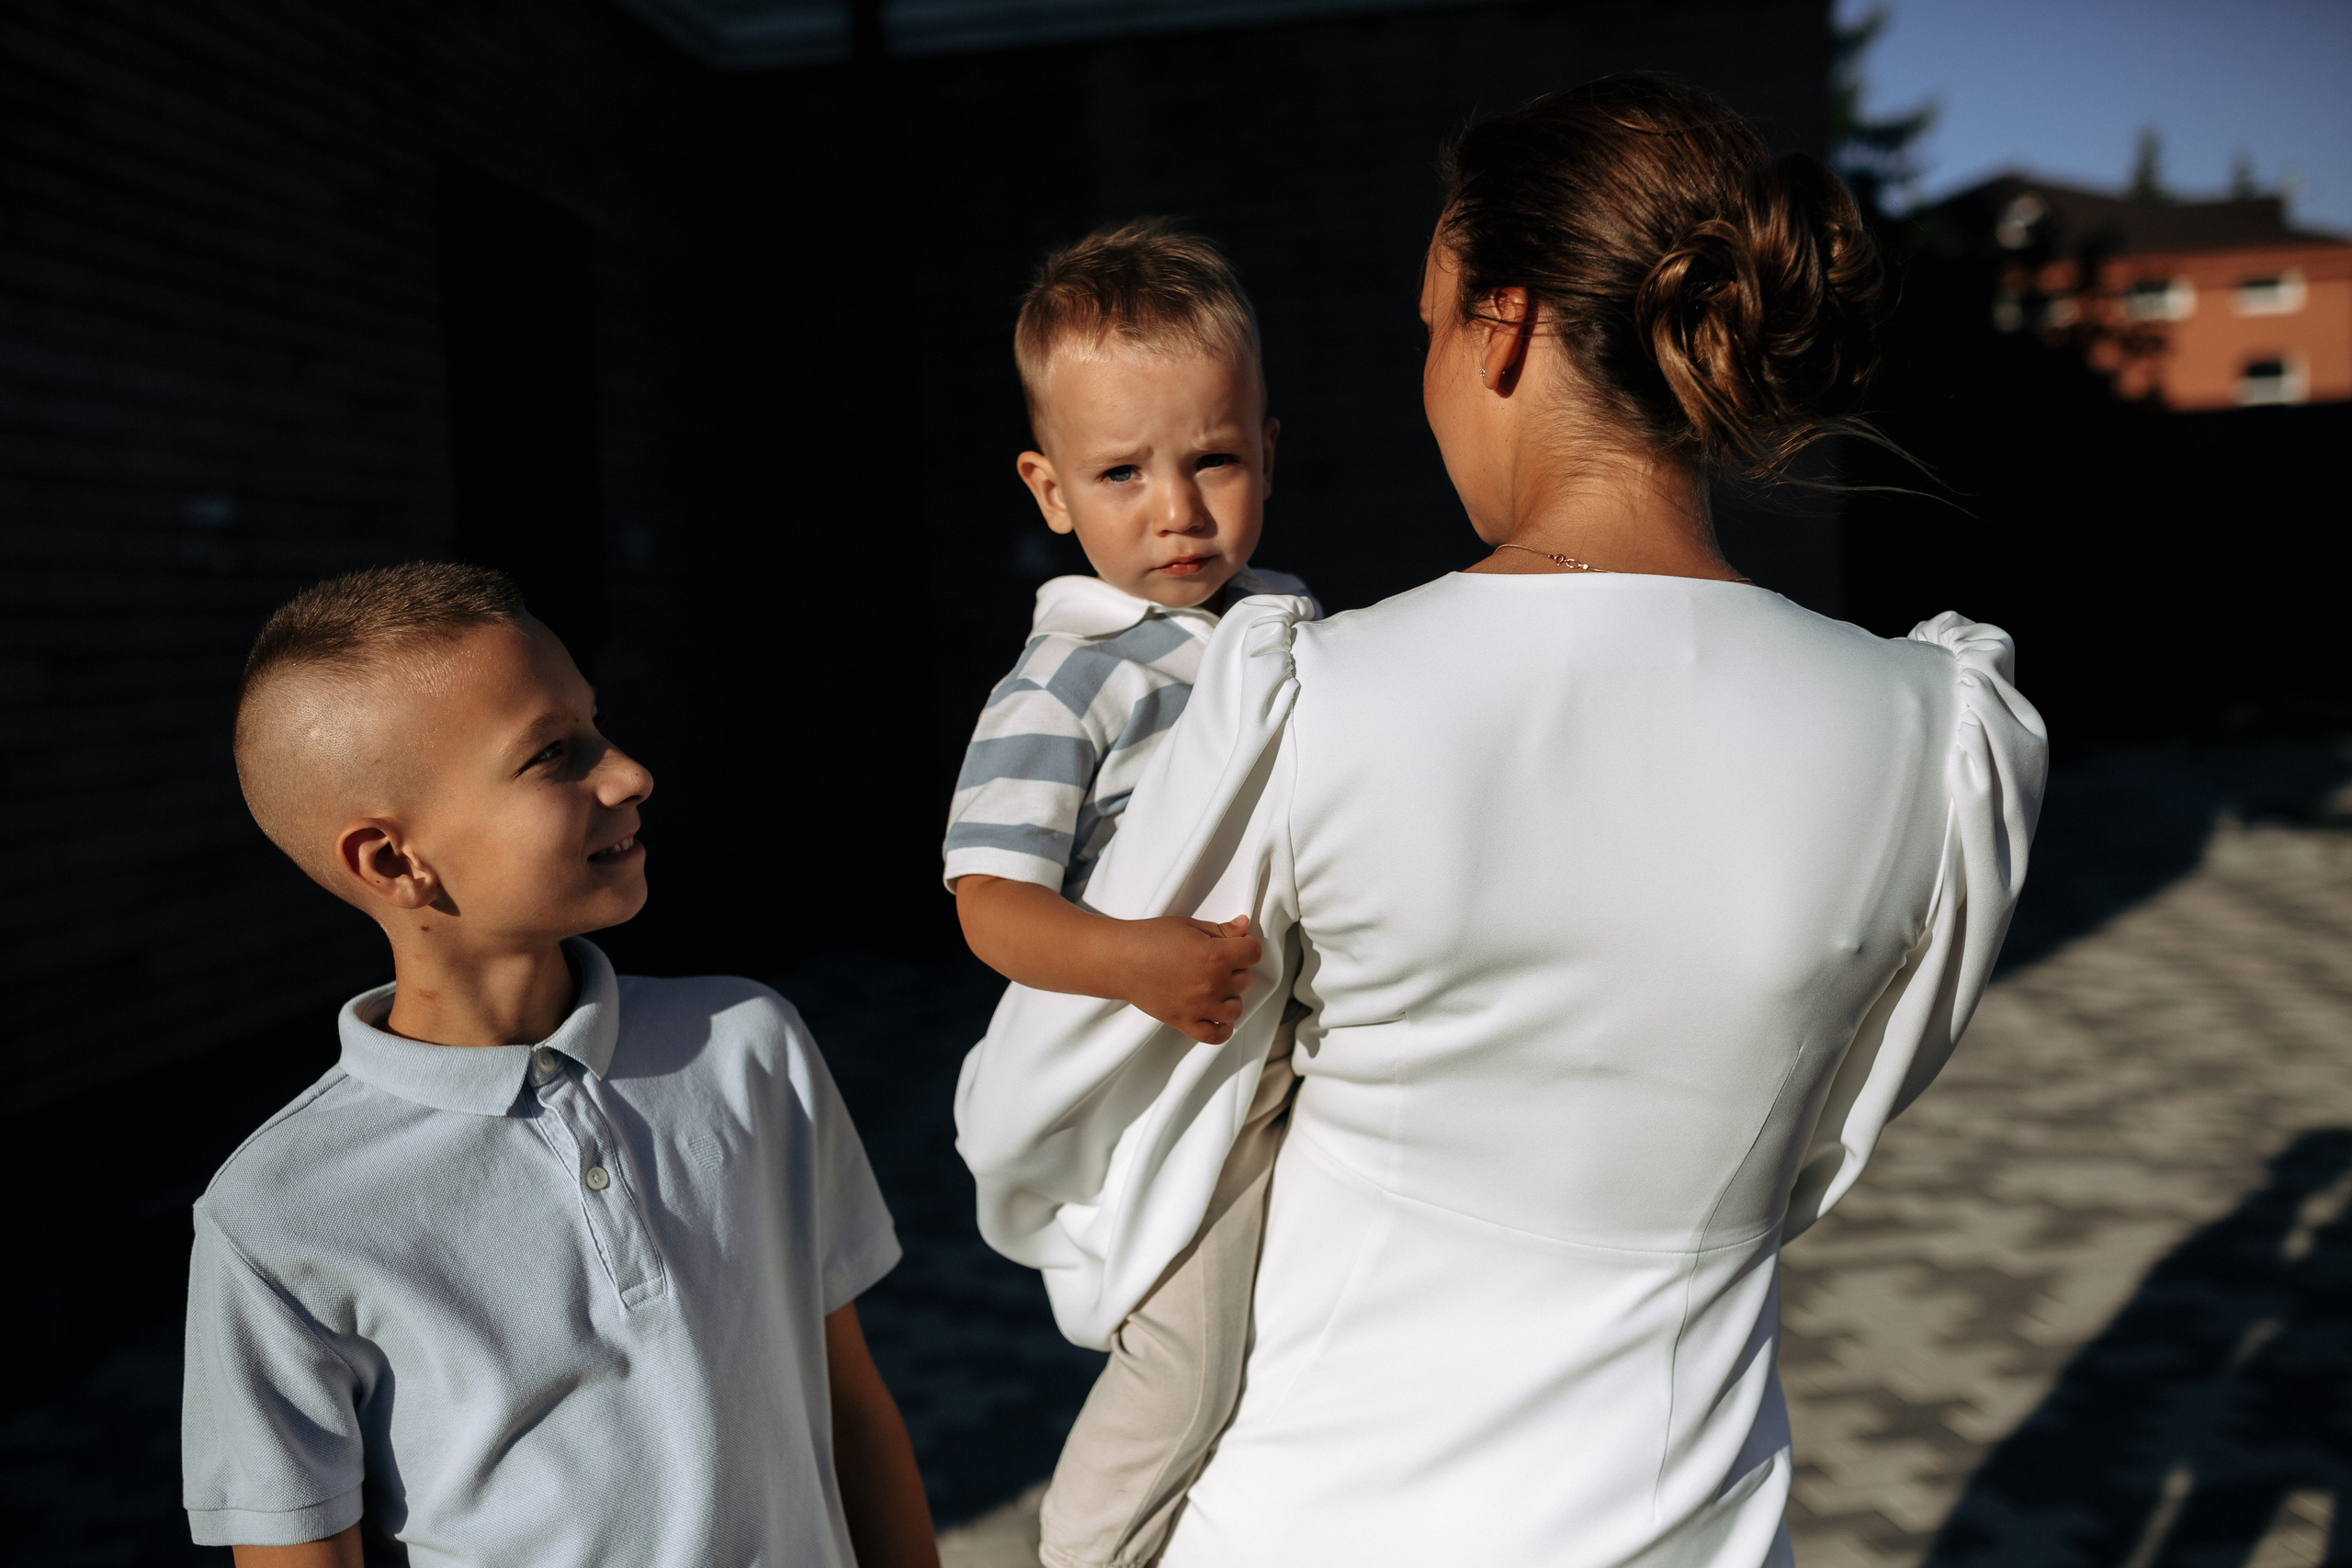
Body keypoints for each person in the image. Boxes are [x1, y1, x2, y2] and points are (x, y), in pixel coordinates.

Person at [956, 75, 2047, 1566]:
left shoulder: (1302, 699)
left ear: (1507, 326)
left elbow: (1030, 1106)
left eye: (1425, 327)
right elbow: (1827, 1147)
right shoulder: (1946, 739)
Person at [184, 563, 937, 1568]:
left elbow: (851, 1409)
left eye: (599, 725)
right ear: (394, 861)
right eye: (553, 754)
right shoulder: (274, 1216)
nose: (628, 774)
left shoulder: (751, 1044)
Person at [942, 220, 1315, 1568]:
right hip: (1166, 1077)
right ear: (1050, 490)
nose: (1178, 507)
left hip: (1285, 1054)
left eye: (1213, 456)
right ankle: (1085, 1546)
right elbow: (988, 899)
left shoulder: (1293, 636)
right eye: (1122, 471)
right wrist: (1132, 958)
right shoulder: (1067, 680)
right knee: (1191, 1350)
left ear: (1268, 445)